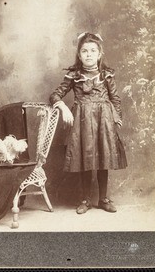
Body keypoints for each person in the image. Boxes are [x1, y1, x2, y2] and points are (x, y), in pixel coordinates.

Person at [49, 32, 127, 214]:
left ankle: (103, 199)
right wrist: (63, 107)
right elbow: (54, 95)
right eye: (84, 51)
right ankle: (85, 200)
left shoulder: (106, 75)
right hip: (82, 123)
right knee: (85, 159)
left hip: (103, 121)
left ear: (99, 54)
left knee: (102, 159)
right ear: (79, 55)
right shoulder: (73, 76)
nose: (89, 54)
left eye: (93, 51)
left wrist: (116, 118)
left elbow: (115, 98)